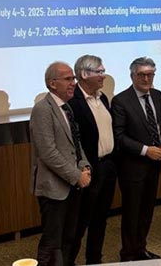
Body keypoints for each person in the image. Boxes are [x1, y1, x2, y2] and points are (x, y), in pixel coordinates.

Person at [29, 61, 91, 266]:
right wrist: (77, 176)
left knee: (69, 237)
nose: (73, 83)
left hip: (72, 185)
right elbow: (48, 153)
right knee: (52, 242)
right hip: (54, 188)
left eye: (73, 78)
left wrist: (85, 166)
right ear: (52, 83)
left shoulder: (67, 107)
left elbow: (75, 143)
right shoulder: (42, 109)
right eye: (68, 79)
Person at [112, 57, 161, 261]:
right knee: (132, 213)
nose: (146, 79)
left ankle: (140, 249)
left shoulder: (158, 95)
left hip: (155, 165)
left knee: (147, 211)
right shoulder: (121, 101)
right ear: (132, 76)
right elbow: (119, 136)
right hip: (133, 167)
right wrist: (146, 150)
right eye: (141, 75)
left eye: (150, 74)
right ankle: (128, 254)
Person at [69, 55, 117, 265]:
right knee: (80, 222)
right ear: (84, 74)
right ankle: (69, 261)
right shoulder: (73, 102)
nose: (103, 75)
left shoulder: (102, 98)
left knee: (100, 219)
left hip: (108, 166)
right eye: (99, 72)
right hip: (88, 170)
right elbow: (73, 141)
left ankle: (94, 260)